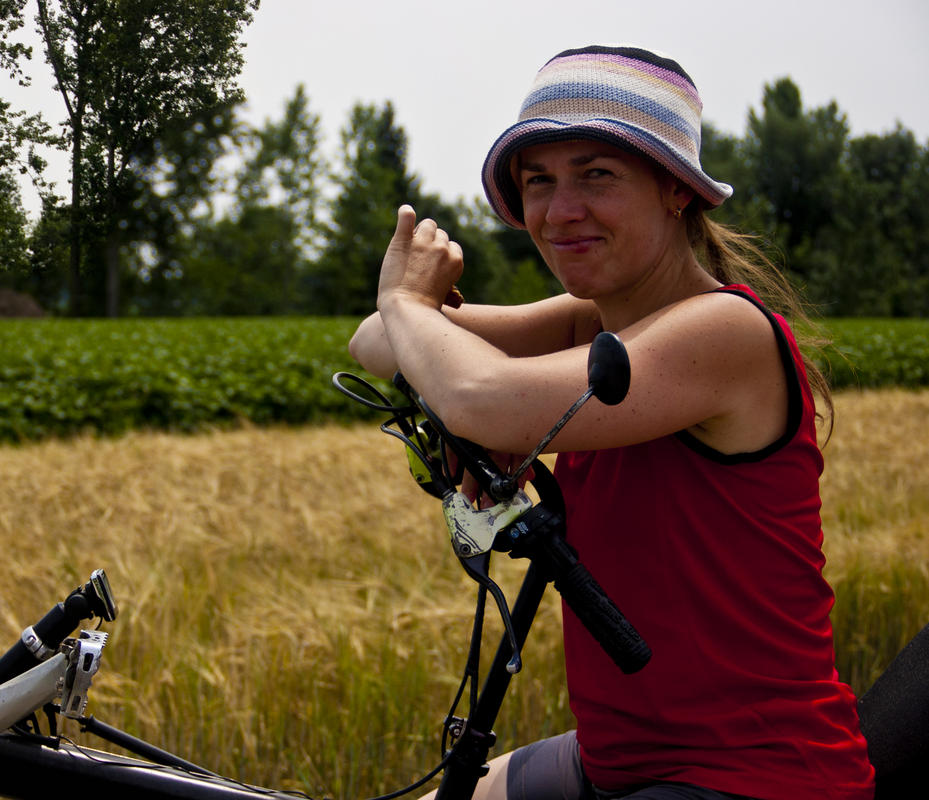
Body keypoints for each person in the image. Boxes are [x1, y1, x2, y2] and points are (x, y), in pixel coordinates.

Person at [359, 45, 851, 800]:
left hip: (750, 775)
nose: (559, 212)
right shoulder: (586, 323)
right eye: (538, 182)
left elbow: (474, 394)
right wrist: (407, 320)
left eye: (596, 175)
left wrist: (407, 300)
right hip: (613, 759)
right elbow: (373, 344)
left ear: (675, 190)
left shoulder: (725, 330)